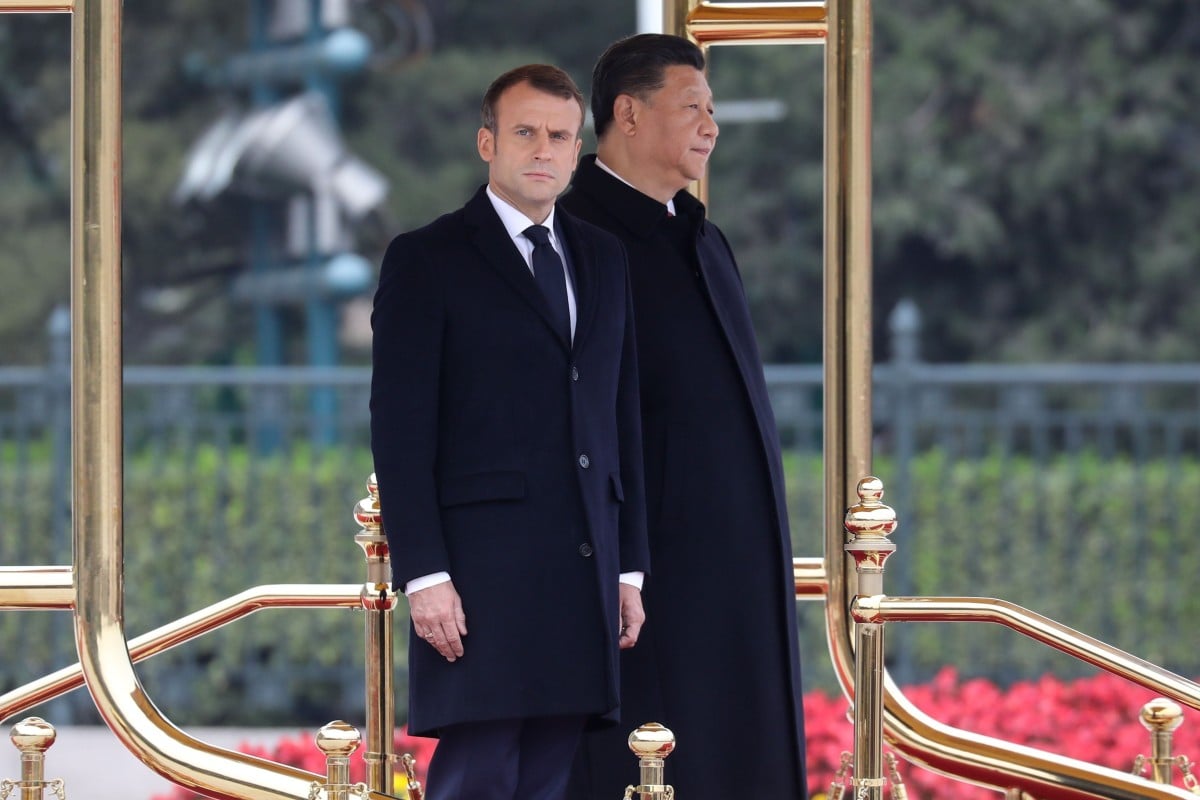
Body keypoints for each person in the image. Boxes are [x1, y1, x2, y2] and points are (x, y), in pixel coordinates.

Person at [369, 63, 650, 800]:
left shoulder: (603, 258)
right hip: (477, 582)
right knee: (478, 778)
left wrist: (630, 567)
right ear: (486, 142)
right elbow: (399, 434)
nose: (544, 150)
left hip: (582, 571)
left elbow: (621, 417)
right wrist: (424, 576)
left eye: (561, 136)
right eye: (525, 132)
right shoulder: (426, 259)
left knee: (551, 779)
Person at [561, 34, 807, 798]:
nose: (711, 126)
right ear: (627, 115)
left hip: (740, 567)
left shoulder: (704, 235)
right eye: (692, 107)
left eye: (714, 110)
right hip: (647, 575)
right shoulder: (573, 240)